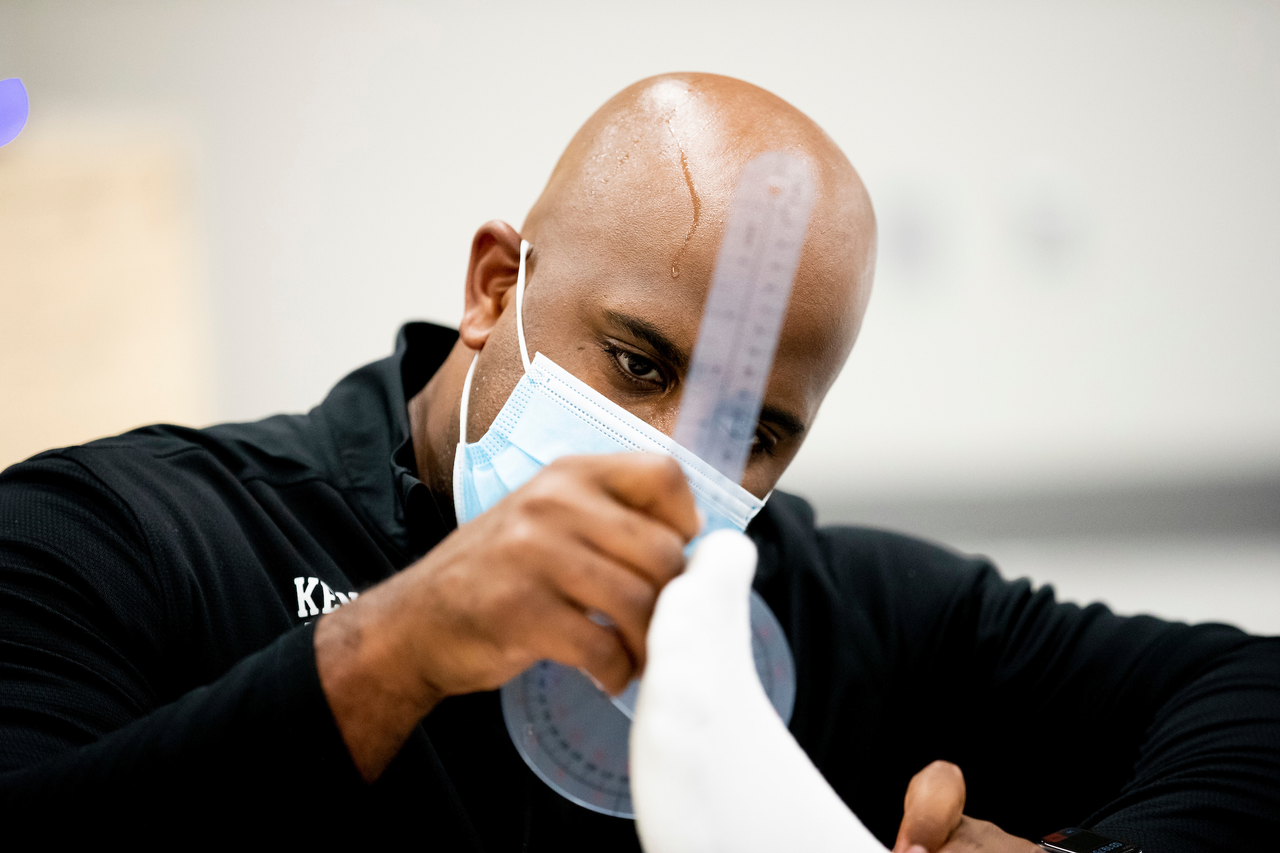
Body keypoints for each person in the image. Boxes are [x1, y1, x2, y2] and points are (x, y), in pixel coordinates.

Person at [0, 72, 1275, 850]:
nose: (672, 470)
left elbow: (1244, 693)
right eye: (639, 363)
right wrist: (393, 648)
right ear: (495, 286)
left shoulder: (825, 615)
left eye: (752, 432)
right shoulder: (123, 534)